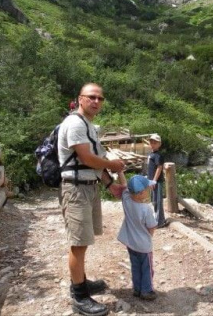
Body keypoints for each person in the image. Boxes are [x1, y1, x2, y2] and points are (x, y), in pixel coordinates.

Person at [58, 83, 125, 316]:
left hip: (88, 187)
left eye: (100, 98)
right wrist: (113, 165)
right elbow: (87, 158)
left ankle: (81, 282)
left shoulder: (88, 125)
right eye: (91, 97)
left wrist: (110, 185)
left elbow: (94, 160)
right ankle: (79, 296)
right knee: (78, 243)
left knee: (84, 239)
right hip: (76, 189)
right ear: (80, 99)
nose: (96, 101)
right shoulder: (75, 123)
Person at [117, 174, 158, 301]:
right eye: (147, 188)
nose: (149, 188)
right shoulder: (146, 209)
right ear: (141, 193)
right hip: (144, 246)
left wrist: (120, 172)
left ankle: (137, 289)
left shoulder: (126, 200)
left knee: (135, 266)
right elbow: (151, 227)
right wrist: (149, 236)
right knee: (147, 268)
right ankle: (146, 290)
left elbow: (124, 186)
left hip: (130, 244)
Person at [147, 134, 168, 228]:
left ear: (159, 144)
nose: (152, 144)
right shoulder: (151, 154)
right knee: (154, 201)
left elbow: (159, 168)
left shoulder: (159, 155)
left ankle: (159, 222)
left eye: (155, 142)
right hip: (151, 181)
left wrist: (154, 180)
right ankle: (159, 219)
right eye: (151, 142)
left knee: (158, 201)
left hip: (157, 182)